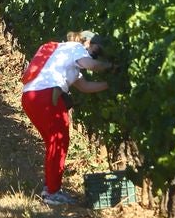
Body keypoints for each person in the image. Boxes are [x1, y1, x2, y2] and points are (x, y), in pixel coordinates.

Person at [20, 30, 111, 205]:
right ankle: (52, 193)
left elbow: (84, 86)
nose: (95, 55)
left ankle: (50, 188)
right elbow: (90, 65)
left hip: (30, 97)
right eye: (96, 51)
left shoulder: (63, 55)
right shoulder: (76, 47)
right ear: (87, 42)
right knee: (59, 141)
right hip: (46, 95)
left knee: (53, 143)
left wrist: (110, 85)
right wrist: (111, 67)